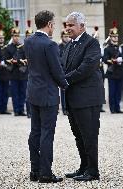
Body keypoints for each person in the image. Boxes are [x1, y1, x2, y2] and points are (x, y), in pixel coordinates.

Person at [25, 10, 68, 183]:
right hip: (48, 94)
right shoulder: (50, 45)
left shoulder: (28, 41)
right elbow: (56, 70)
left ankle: (34, 170)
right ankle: (45, 173)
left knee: (35, 132)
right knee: (46, 134)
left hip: (33, 92)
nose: (54, 28)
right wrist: (66, 85)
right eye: (53, 24)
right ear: (49, 24)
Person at [63, 12, 105, 181]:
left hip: (87, 99)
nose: (68, 28)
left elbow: (86, 68)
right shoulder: (70, 45)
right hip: (73, 98)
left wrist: (64, 79)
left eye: (71, 25)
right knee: (78, 135)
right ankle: (84, 166)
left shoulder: (92, 43)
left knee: (89, 135)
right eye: (66, 25)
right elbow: (62, 66)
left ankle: (93, 171)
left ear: (82, 26)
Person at [5, 20, 27, 116]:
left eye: (18, 36)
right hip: (13, 72)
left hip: (22, 72)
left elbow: (27, 58)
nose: (16, 38)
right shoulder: (8, 48)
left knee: (23, 92)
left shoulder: (23, 47)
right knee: (15, 93)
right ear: (12, 36)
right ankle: (16, 110)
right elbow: (6, 60)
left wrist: (23, 61)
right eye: (14, 36)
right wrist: (16, 61)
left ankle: (21, 110)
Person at [102, 21, 123, 114]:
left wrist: (121, 59)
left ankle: (117, 107)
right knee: (112, 92)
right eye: (114, 37)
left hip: (119, 71)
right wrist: (114, 60)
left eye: (116, 37)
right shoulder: (107, 48)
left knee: (119, 91)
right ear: (110, 37)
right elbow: (105, 60)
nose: (115, 38)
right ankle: (112, 108)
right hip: (112, 72)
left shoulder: (120, 47)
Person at [58, 22, 71, 115]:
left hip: (70, 71)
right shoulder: (59, 47)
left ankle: (69, 107)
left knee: (70, 90)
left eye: (68, 36)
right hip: (62, 71)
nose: (67, 38)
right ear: (62, 37)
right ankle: (64, 108)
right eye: (65, 36)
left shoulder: (70, 46)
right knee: (63, 91)